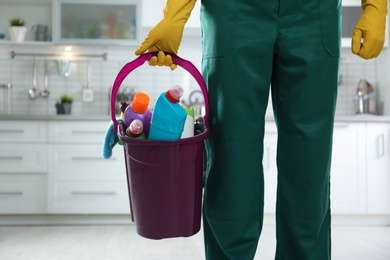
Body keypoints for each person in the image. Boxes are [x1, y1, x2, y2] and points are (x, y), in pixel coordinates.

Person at [135, 0, 388, 259]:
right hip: (234, 9)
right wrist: (175, 14)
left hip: (315, 12)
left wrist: (376, 5)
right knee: (232, 162)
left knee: (310, 163)